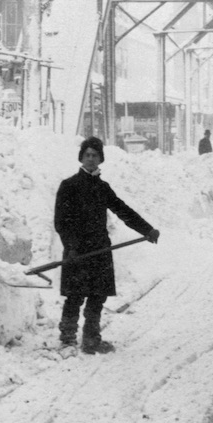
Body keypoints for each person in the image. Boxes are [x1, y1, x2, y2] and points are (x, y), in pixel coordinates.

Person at [53, 136, 159, 354]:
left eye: (95, 155)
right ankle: (67, 339)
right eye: (87, 155)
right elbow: (61, 222)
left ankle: (92, 339)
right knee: (75, 295)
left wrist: (146, 229)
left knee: (97, 296)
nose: (91, 159)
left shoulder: (102, 188)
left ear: (101, 159)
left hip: (100, 248)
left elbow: (123, 211)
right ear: (81, 157)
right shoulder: (69, 185)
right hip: (77, 249)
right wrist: (70, 246)